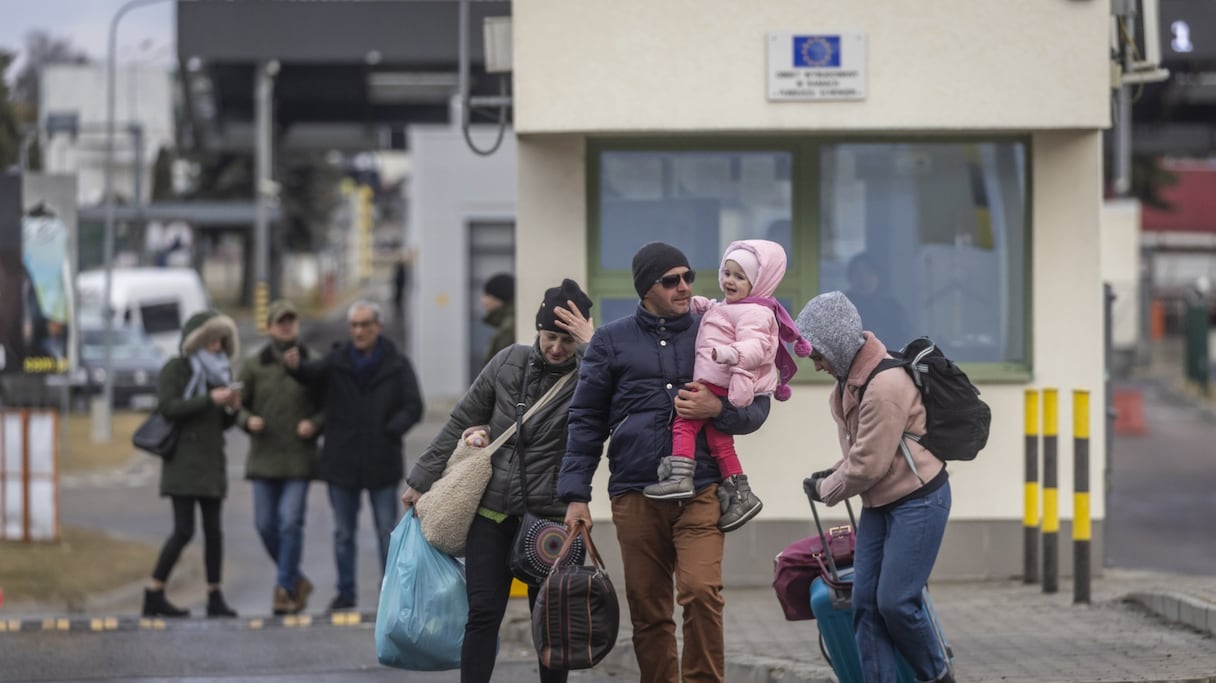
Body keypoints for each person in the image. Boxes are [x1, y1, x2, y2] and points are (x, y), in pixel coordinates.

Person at [559, 242, 771, 683]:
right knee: (649, 608)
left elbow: (757, 403)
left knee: (700, 593)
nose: (685, 287)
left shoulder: (714, 326)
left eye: (688, 277)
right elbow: (585, 420)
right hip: (635, 492)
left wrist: (718, 410)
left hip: (702, 489)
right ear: (645, 287)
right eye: (671, 280)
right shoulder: (610, 341)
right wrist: (575, 495)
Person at [402, 278, 594, 683]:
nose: (556, 348)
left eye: (567, 340)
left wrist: (592, 346)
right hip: (492, 514)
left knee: (550, 620)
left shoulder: (588, 378)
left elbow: (619, 392)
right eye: (548, 337)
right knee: (484, 614)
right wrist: (421, 479)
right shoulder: (509, 361)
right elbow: (460, 419)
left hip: (550, 520)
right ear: (537, 331)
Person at [796, 291, 953, 683]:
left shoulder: (884, 387)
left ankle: (937, 675)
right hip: (881, 504)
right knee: (864, 605)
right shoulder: (849, 383)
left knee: (896, 603)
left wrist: (826, 489)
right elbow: (863, 451)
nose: (815, 365)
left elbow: (868, 464)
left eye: (817, 355)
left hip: (918, 501)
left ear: (837, 344)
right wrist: (830, 473)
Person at [644, 239, 811, 532]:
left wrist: (730, 354)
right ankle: (741, 493)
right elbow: (720, 313)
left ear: (758, 282)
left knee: (684, 421)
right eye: (727, 273)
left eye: (739, 276)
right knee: (719, 441)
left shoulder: (756, 313)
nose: (729, 281)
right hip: (718, 381)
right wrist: (702, 305)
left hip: (721, 381)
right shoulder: (737, 306)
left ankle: (680, 476)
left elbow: (758, 346)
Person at [284, 300, 424, 612]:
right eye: (355, 326)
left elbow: (414, 406)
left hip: (381, 459)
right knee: (343, 533)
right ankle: (345, 593)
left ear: (378, 327)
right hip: (342, 462)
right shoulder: (337, 360)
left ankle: (391, 592)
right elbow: (310, 374)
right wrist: (294, 366)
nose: (359, 331)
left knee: (387, 530)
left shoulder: (397, 363)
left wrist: (390, 430)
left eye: (365, 325)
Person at [142, 310, 242, 619]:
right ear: (197, 341)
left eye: (221, 341)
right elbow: (167, 407)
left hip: (211, 463)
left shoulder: (221, 372)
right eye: (212, 340)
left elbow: (221, 424)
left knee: (214, 532)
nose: (217, 346)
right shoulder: (177, 368)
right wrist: (210, 400)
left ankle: (214, 594)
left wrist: (231, 409)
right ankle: (154, 591)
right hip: (182, 463)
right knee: (183, 530)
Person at [236, 299, 324, 615]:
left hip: (299, 459)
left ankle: (284, 588)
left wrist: (314, 424)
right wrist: (247, 420)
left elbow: (329, 403)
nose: (286, 326)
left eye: (291, 321)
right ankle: (297, 580)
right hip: (264, 458)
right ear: (270, 327)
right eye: (280, 321)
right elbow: (237, 403)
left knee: (289, 522)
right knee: (264, 525)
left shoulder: (313, 361)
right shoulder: (253, 364)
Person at [844, 251, 911, 348]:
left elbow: (902, 340)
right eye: (858, 273)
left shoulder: (892, 308)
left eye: (868, 273)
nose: (863, 278)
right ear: (850, 277)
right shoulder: (841, 306)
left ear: (879, 277)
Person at [480, 272, 515, 367]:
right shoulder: (507, 323)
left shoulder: (509, 327)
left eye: (487, 295)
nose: (483, 301)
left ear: (499, 298)